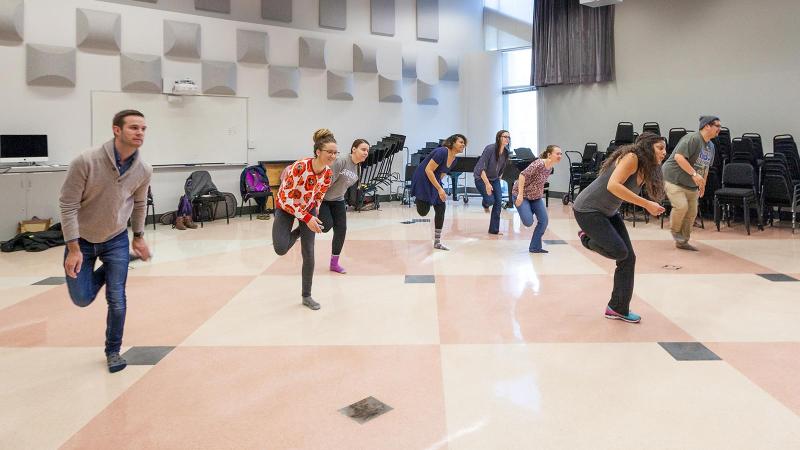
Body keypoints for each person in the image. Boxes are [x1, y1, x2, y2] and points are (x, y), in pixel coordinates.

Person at [59, 109, 153, 373]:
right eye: (134, 128)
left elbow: (139, 204)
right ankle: (111, 267)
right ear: (117, 130)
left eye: (143, 129)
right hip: (82, 241)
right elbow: (67, 206)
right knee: (82, 298)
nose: (140, 133)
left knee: (117, 298)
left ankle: (113, 351)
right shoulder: (85, 161)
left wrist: (139, 236)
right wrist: (73, 248)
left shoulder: (144, 169)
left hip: (116, 240)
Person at [572, 132, 667, 324]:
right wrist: (646, 204)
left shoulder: (647, 167)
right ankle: (587, 238)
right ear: (647, 148)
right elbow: (613, 186)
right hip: (588, 209)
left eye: (665, 148)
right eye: (660, 148)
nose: (664, 152)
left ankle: (617, 308)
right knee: (619, 251)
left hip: (608, 212)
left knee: (628, 258)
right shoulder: (632, 158)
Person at [273, 129, 335, 310]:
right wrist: (306, 219)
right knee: (280, 248)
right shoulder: (300, 167)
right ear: (318, 152)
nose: (333, 156)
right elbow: (285, 198)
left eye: (335, 152)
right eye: (329, 152)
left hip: (307, 210)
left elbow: (318, 197)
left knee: (309, 252)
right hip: (286, 207)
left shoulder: (328, 174)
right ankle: (300, 230)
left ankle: (307, 296)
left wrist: (312, 216)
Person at [662, 115, 720, 251]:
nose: (719, 129)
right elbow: (678, 157)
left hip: (691, 183)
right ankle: (676, 232)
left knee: (692, 212)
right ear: (707, 126)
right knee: (681, 206)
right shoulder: (692, 138)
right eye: (717, 126)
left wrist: (703, 184)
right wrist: (694, 174)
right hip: (673, 178)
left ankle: (683, 242)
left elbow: (705, 168)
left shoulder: (711, 146)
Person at [319, 138, 370, 273]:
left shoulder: (358, 167)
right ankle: (303, 226)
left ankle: (334, 264)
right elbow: (325, 182)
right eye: (363, 149)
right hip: (323, 199)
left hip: (338, 200)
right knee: (325, 227)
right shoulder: (341, 161)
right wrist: (315, 202)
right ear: (354, 149)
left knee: (341, 230)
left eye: (367, 151)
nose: (366, 153)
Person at [410, 134, 467, 250]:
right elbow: (428, 169)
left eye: (464, 143)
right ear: (452, 143)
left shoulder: (454, 160)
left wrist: (439, 189)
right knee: (423, 212)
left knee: (441, 207)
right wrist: (439, 189)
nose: (463, 145)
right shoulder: (442, 152)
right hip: (423, 178)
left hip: (434, 178)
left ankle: (437, 242)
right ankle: (419, 199)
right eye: (461, 142)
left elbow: (441, 175)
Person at [512, 145, 562, 253]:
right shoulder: (539, 163)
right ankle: (525, 209)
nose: (560, 156)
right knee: (528, 222)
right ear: (549, 155)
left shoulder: (550, 167)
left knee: (544, 221)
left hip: (535, 197)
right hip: (522, 195)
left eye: (560, 154)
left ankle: (535, 247)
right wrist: (520, 195)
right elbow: (522, 175)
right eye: (557, 153)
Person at [474, 130, 510, 234]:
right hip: (481, 178)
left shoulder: (506, 152)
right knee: (490, 200)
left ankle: (494, 230)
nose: (507, 139)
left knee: (498, 202)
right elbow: (481, 168)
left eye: (508, 137)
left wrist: (498, 179)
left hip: (494, 179)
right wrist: (487, 184)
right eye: (505, 136)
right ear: (499, 137)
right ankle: (485, 203)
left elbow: (502, 168)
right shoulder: (490, 149)